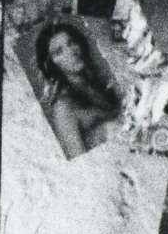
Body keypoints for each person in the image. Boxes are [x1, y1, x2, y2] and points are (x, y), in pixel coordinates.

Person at [34, 20, 122, 156]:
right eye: (59, 51)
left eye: (71, 42)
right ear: (51, 64)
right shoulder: (63, 108)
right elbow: (81, 161)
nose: (71, 51)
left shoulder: (99, 83)